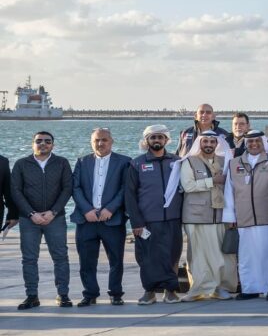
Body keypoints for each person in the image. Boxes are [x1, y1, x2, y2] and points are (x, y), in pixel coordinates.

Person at [11, 130, 73, 309]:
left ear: (53, 144)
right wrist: (31, 214)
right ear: (33, 144)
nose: (43, 144)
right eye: (39, 141)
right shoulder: (22, 164)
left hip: (55, 219)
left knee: (60, 257)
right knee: (29, 259)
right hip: (29, 219)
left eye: (47, 141)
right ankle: (32, 296)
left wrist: (53, 212)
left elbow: (67, 188)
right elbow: (16, 191)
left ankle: (63, 295)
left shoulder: (61, 163)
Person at [124, 125, 184, 305]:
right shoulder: (136, 164)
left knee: (172, 255)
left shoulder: (177, 162)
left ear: (166, 140)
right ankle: (149, 291)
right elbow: (130, 195)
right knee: (147, 257)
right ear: (146, 140)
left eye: (160, 137)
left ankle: (171, 291)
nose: (156, 140)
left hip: (173, 219)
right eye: (152, 137)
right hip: (147, 221)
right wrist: (136, 222)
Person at [71, 127, 129, 307]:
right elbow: (75, 187)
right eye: (97, 140)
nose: (100, 143)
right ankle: (90, 293)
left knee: (116, 260)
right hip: (86, 220)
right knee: (86, 261)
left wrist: (110, 208)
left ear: (111, 142)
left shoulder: (124, 162)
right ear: (91, 142)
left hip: (112, 219)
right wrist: (87, 209)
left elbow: (125, 188)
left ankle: (116, 293)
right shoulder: (82, 162)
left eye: (104, 140)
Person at [179, 130, 236, 301]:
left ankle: (219, 288)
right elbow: (188, 186)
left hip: (219, 215)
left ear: (217, 144)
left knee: (221, 256)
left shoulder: (224, 162)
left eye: (212, 142)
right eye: (206, 142)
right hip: (196, 216)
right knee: (198, 256)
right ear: (199, 143)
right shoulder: (189, 161)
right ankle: (197, 289)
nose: (209, 145)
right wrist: (213, 181)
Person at [226, 129, 268, 300]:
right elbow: (229, 191)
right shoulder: (234, 163)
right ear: (245, 144)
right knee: (246, 257)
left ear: (263, 142)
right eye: (250, 142)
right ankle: (249, 288)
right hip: (244, 218)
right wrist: (230, 216)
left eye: (257, 141)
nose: (254, 144)